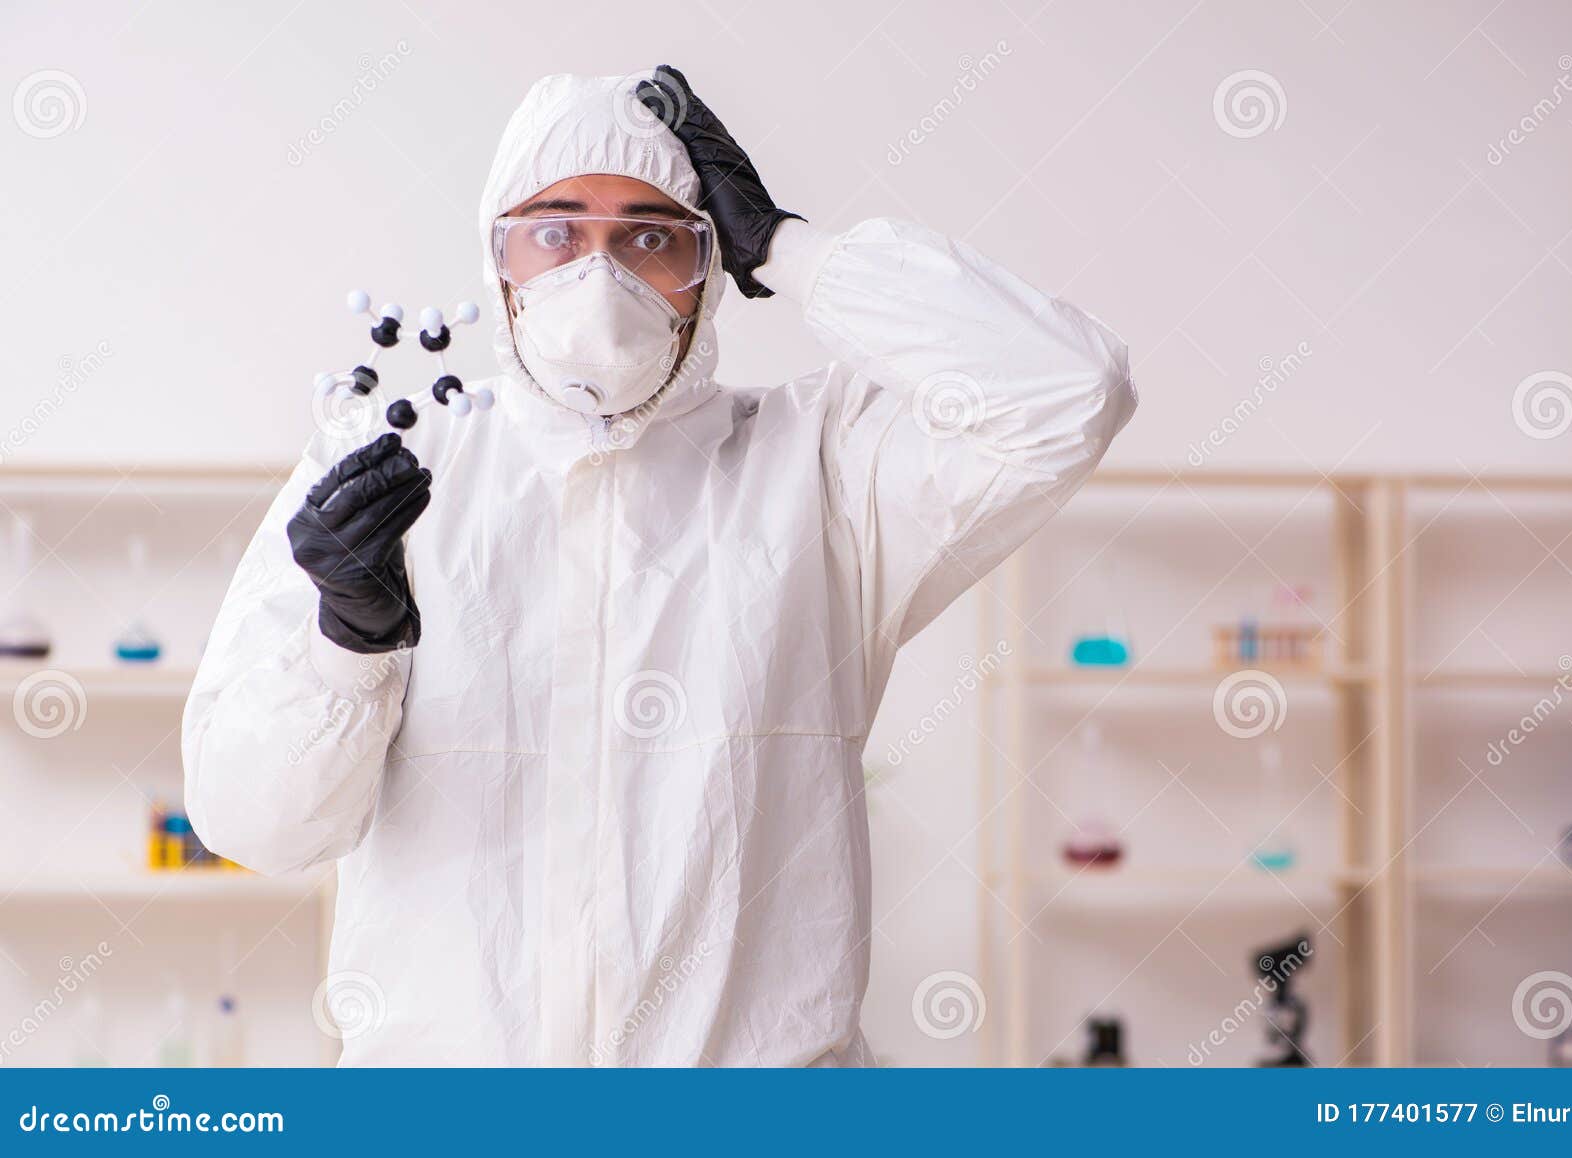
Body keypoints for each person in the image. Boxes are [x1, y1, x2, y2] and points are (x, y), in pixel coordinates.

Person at [182, 67, 1136, 1066]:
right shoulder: (395, 470)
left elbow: (1067, 392)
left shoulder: (819, 468)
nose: (600, 276)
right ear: (496, 260)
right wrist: (345, 644)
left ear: (709, 262)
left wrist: (791, 247)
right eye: (553, 232)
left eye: (650, 235)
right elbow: (258, 827)